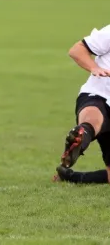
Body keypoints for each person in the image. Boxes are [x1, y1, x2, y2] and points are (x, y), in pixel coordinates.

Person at [54, 24, 110, 184]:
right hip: (99, 94)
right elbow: (77, 50)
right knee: (93, 120)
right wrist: (94, 68)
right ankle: (79, 136)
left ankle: (70, 176)